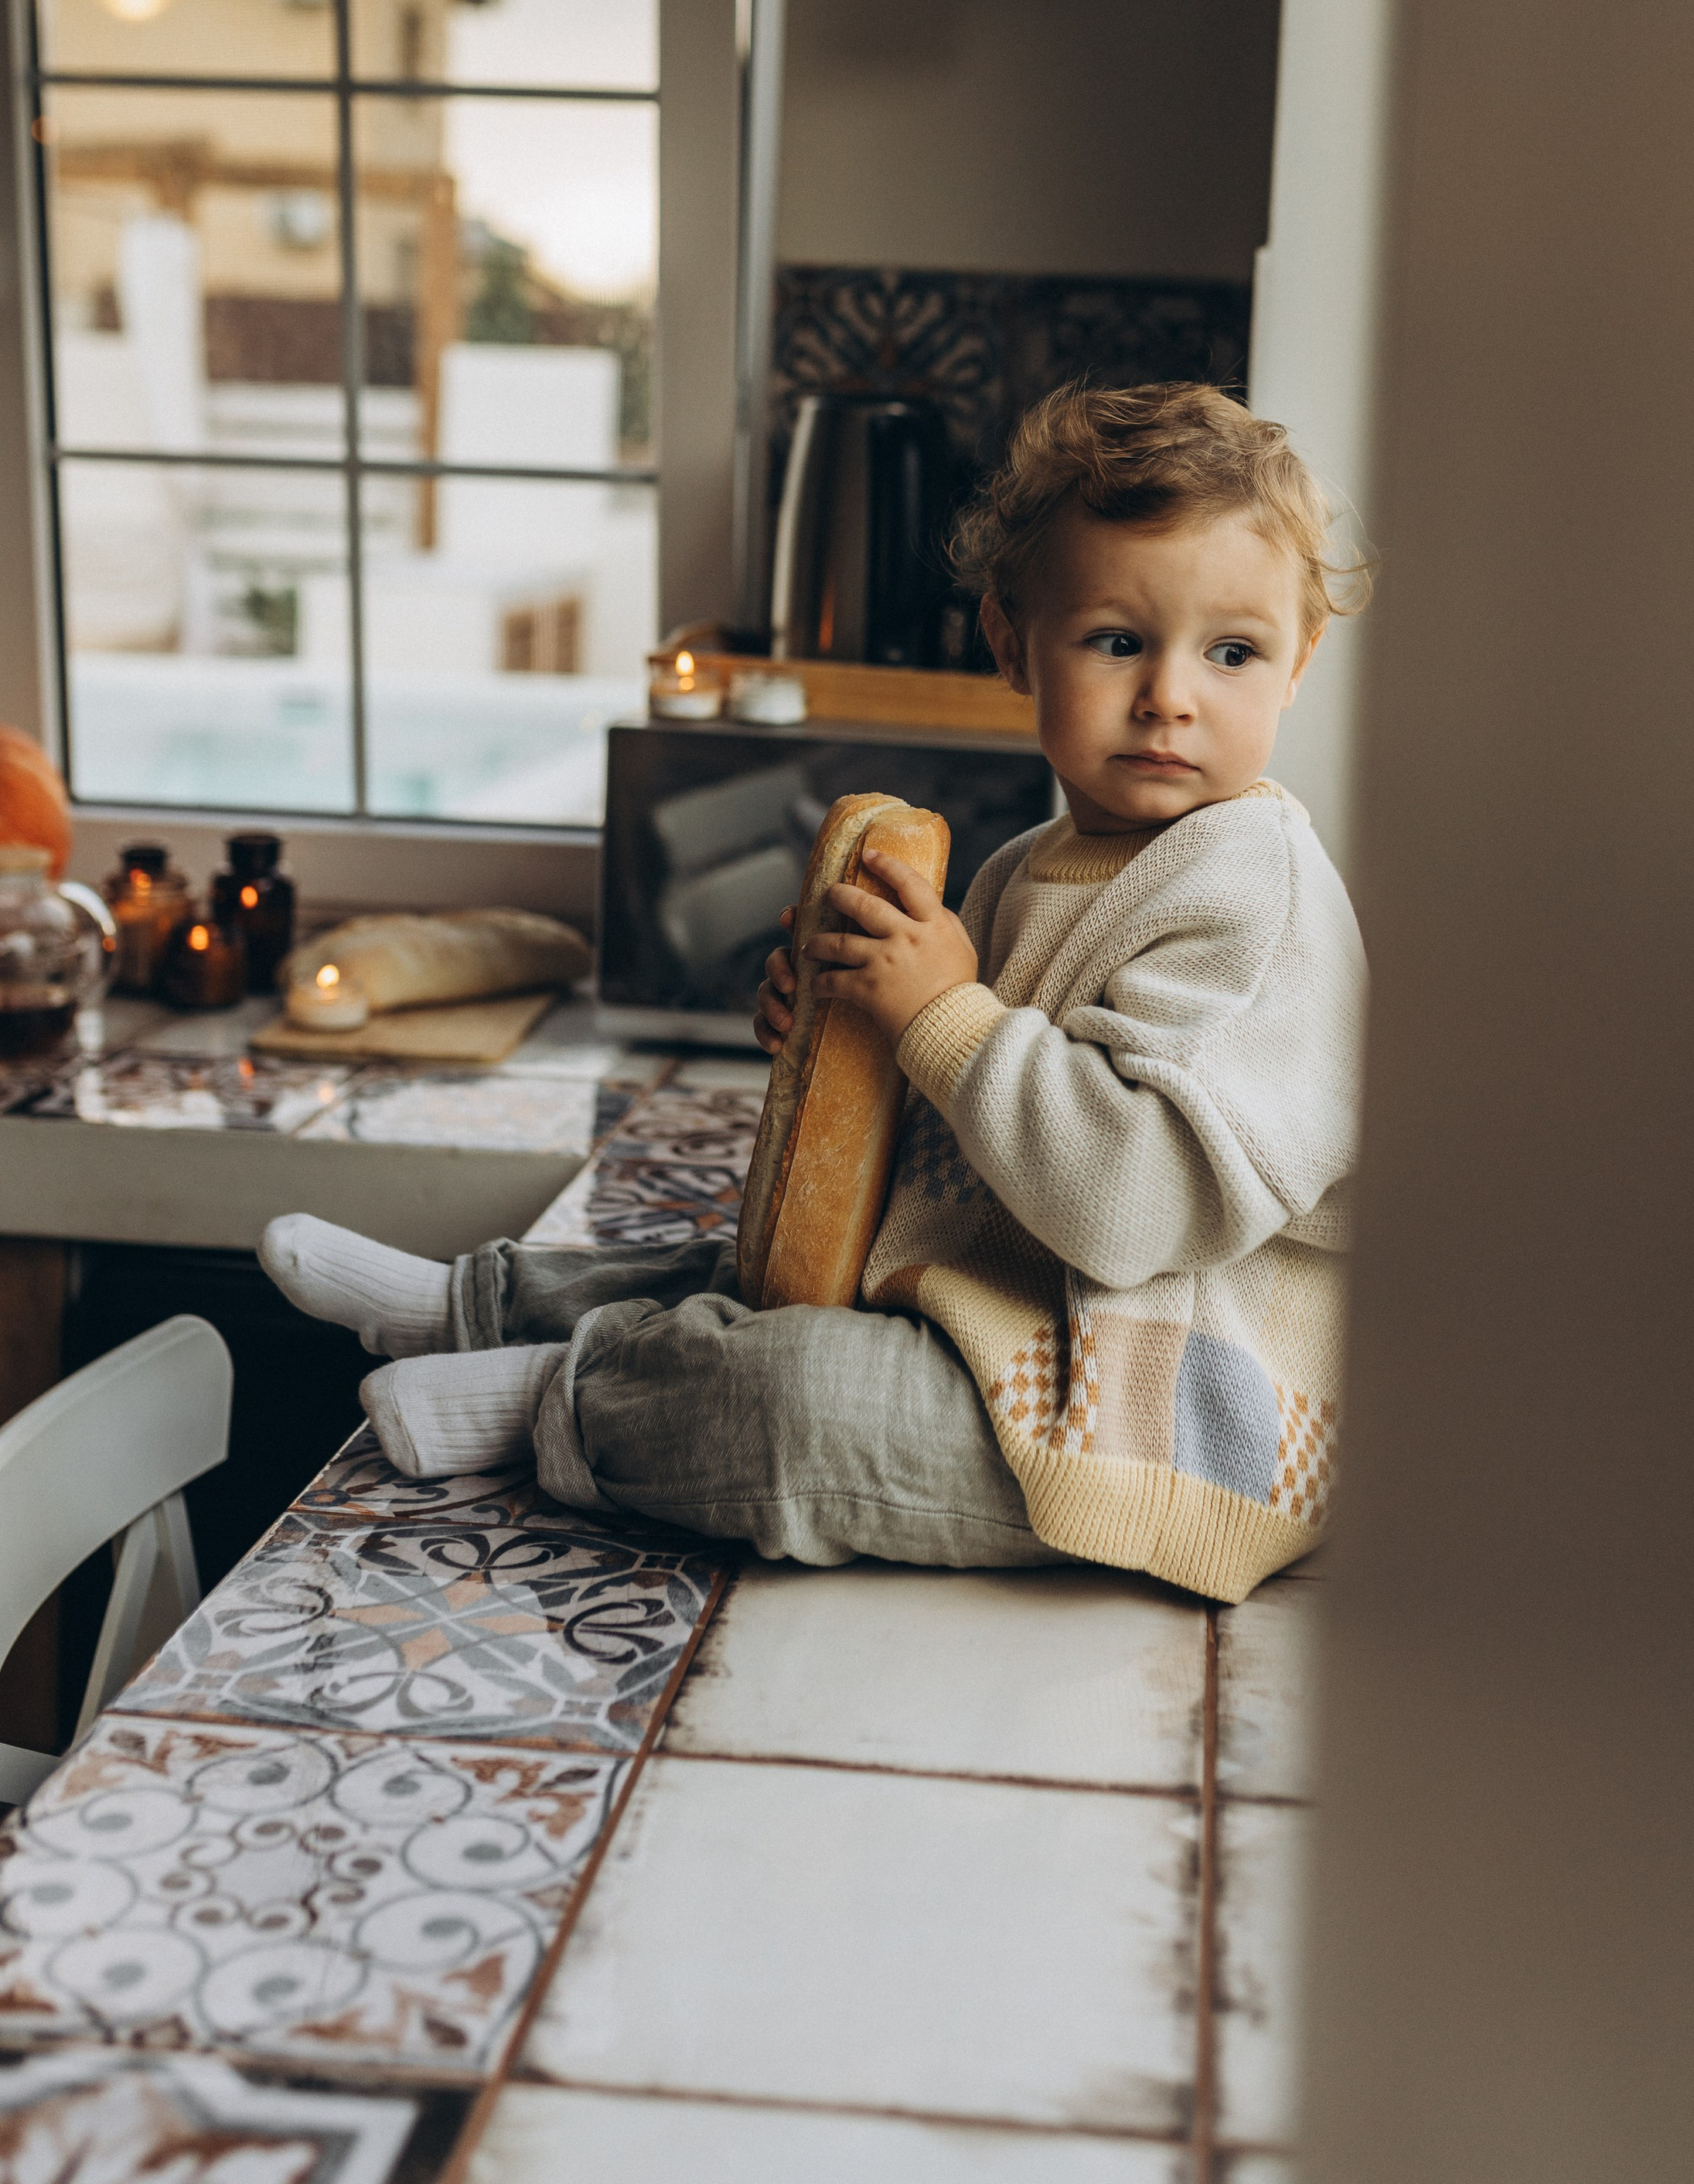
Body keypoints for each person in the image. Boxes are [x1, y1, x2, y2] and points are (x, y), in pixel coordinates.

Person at [259, 382, 1370, 1602]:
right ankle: (478, 1306)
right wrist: (854, 1036)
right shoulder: (1018, 871)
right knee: (734, 1272)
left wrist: (942, 1015)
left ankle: (552, 1395)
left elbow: (1130, 1209)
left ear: (1298, 662)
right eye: (1117, 640)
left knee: (799, 1396)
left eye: (1232, 652)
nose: (1171, 693)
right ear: (1011, 643)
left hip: (1162, 1417)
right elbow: (975, 1131)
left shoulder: (1254, 892)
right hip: (1014, 1314)